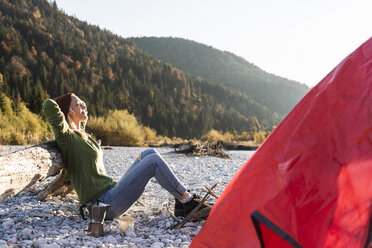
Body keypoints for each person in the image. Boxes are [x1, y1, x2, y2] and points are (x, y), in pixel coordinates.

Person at [42, 93, 202, 220]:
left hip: (110, 192)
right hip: (103, 205)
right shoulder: (66, 136)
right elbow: (48, 104)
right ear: (68, 112)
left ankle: (180, 204)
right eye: (77, 105)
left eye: (82, 103)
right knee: (153, 162)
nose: (83, 105)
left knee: (149, 153)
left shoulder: (82, 135)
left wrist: (78, 108)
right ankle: (187, 201)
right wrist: (67, 104)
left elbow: (81, 124)